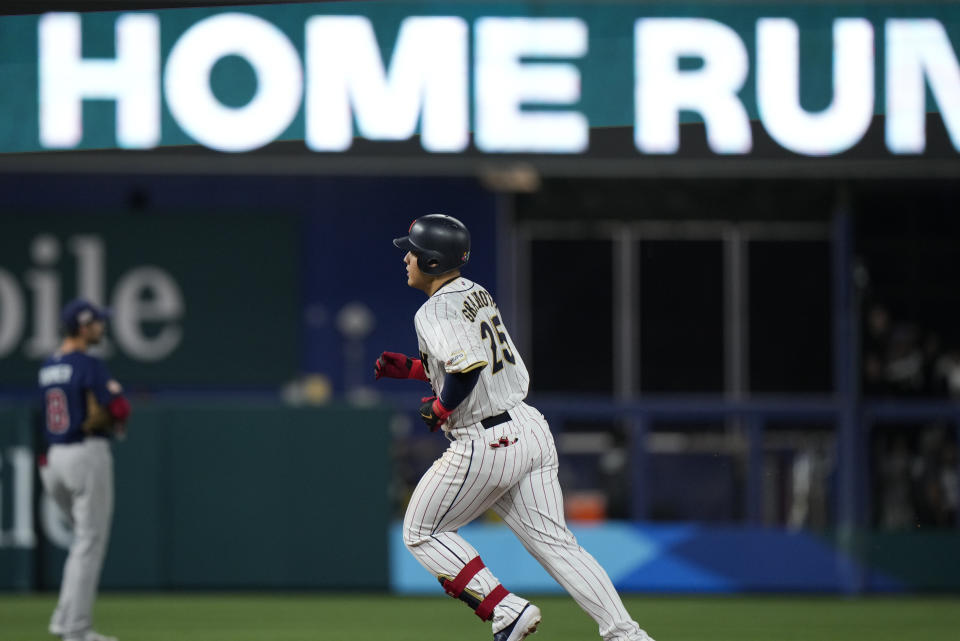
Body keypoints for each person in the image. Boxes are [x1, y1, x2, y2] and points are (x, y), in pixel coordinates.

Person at [375, 214, 655, 641]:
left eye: (412, 252)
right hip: (529, 427)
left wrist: (441, 406)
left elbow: (467, 367)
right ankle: (628, 636)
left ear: (431, 262)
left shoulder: (433, 310)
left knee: (421, 531)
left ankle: (507, 610)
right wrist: (418, 370)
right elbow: (476, 363)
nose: (406, 258)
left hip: (487, 441)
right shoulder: (475, 291)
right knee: (558, 546)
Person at [38, 299, 131, 641]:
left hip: (53, 459)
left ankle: (64, 619)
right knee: (89, 543)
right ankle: (76, 630)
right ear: (83, 326)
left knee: (82, 542)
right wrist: (119, 398)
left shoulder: (48, 365)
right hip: (85, 453)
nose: (102, 328)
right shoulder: (89, 365)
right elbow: (118, 408)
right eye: (97, 323)